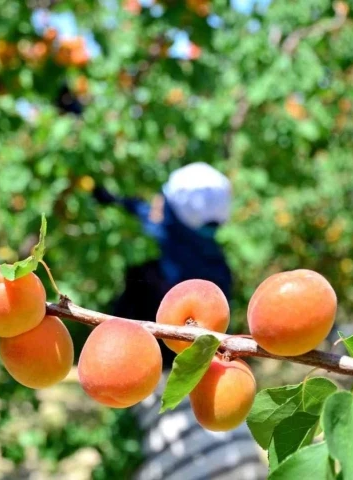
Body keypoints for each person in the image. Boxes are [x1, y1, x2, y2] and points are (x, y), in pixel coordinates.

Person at [93, 163, 267, 480]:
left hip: (165, 404)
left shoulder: (152, 248)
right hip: (221, 400)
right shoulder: (216, 267)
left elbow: (129, 207)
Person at [93, 162, 234, 368]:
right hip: (194, 367)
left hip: (140, 361)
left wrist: (104, 196)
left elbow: (143, 213)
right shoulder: (217, 263)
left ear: (173, 208)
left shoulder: (157, 241)